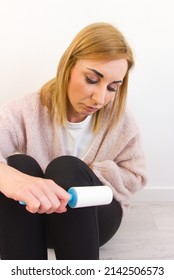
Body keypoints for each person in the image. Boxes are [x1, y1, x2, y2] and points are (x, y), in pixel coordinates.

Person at [0, 22, 147, 260]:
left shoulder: (122, 120)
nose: (100, 98)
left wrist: (86, 175)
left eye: (112, 87)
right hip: (38, 219)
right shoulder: (25, 109)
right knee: (18, 165)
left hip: (96, 220)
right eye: (91, 79)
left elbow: (136, 174)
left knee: (66, 168)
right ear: (68, 67)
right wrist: (11, 178)